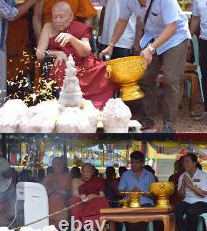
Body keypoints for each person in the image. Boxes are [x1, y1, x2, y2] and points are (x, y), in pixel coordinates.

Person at [100, 0, 190, 133]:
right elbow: (122, 20)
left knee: (171, 79)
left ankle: (169, 123)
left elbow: (172, 27)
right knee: (144, 77)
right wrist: (111, 44)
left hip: (176, 38)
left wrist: (151, 49)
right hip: (152, 36)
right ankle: (147, 120)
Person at [36, 1, 115, 110]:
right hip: (63, 67)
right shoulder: (48, 27)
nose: (58, 21)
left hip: (83, 65)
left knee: (106, 71)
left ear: (71, 17)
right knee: (61, 68)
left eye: (61, 17)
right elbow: (39, 53)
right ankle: (64, 107)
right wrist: (58, 53)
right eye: (55, 17)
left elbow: (86, 51)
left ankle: (94, 108)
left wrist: (72, 38)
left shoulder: (80, 27)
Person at [118, 151, 156, 231]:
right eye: (132, 162)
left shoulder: (150, 175)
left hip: (145, 202)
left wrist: (142, 193)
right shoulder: (125, 175)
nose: (133, 165)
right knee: (126, 212)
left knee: (145, 211)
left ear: (142, 163)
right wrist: (131, 193)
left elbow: (154, 194)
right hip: (128, 202)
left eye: (137, 162)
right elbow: (119, 192)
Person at [175, 153, 207, 231]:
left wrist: (190, 185)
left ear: (194, 163)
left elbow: (203, 194)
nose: (185, 164)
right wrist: (184, 185)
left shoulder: (203, 175)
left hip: (203, 201)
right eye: (183, 162)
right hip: (187, 200)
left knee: (191, 211)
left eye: (187, 162)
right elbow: (180, 195)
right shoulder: (183, 176)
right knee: (177, 210)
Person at [69, 163, 109, 231]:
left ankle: (93, 226)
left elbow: (102, 195)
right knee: (73, 200)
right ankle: (78, 227)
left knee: (102, 201)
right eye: (83, 172)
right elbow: (75, 193)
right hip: (81, 201)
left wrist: (93, 196)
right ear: (81, 172)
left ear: (92, 172)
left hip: (93, 202)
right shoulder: (76, 180)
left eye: (87, 172)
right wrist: (81, 196)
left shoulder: (98, 181)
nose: (85, 174)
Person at [190, 0, 207, 121]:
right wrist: (188, 37)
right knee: (205, 76)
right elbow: (195, 19)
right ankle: (206, 111)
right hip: (204, 40)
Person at [43, 157, 72, 227]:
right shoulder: (49, 177)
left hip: (62, 206)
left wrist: (56, 190)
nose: (61, 166)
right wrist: (45, 182)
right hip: (47, 206)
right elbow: (40, 191)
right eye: (59, 164)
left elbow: (69, 194)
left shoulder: (68, 176)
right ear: (53, 165)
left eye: (62, 164)